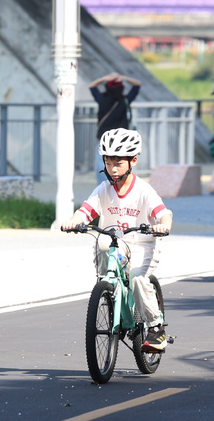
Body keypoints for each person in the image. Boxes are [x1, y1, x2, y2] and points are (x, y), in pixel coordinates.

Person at [62, 128, 173, 352]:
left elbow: (164, 213)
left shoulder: (143, 190)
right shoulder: (103, 189)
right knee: (102, 242)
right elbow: (85, 210)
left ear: (133, 161)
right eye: (108, 162)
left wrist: (163, 225)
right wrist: (73, 221)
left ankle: (155, 328)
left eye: (118, 163)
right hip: (117, 244)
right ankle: (108, 289)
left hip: (143, 244)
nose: (112, 169)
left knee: (136, 279)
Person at [90, 72, 142, 184]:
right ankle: (121, 186)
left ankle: (105, 189)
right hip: (122, 140)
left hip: (104, 138)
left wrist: (104, 78)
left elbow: (92, 86)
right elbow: (137, 85)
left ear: (107, 87)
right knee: (122, 164)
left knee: (102, 165)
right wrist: (123, 78)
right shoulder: (125, 100)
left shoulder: (101, 99)